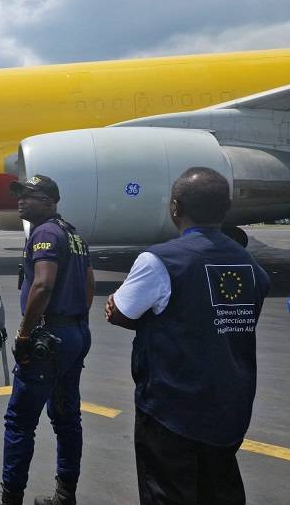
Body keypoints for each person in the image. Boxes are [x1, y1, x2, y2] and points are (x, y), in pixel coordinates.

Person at [105, 167, 269, 505]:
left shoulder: (160, 260)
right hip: (230, 407)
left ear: (175, 208)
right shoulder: (250, 266)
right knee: (220, 491)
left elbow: (120, 312)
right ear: (225, 209)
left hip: (171, 409)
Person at [0, 175, 94, 505]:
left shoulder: (45, 233)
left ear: (50, 201)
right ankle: (66, 494)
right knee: (67, 417)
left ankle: (11, 498)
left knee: (19, 422)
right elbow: (89, 283)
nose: (21, 201)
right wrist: (75, 321)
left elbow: (42, 285)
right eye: (20, 195)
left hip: (48, 339)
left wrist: (24, 334)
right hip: (74, 332)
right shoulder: (73, 234)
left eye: (30, 196)